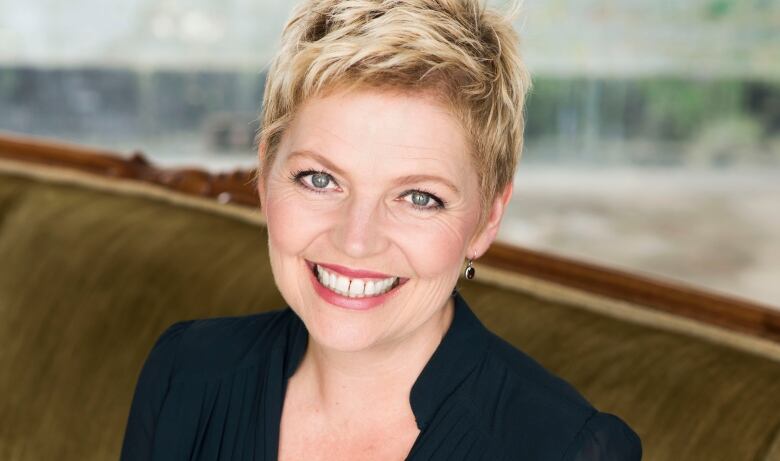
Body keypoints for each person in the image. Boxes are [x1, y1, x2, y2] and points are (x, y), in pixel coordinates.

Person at [121, 0, 642, 459]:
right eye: (320, 179)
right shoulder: (183, 371)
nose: (356, 240)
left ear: (486, 220)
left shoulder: (572, 449)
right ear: (265, 176)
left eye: (419, 197)